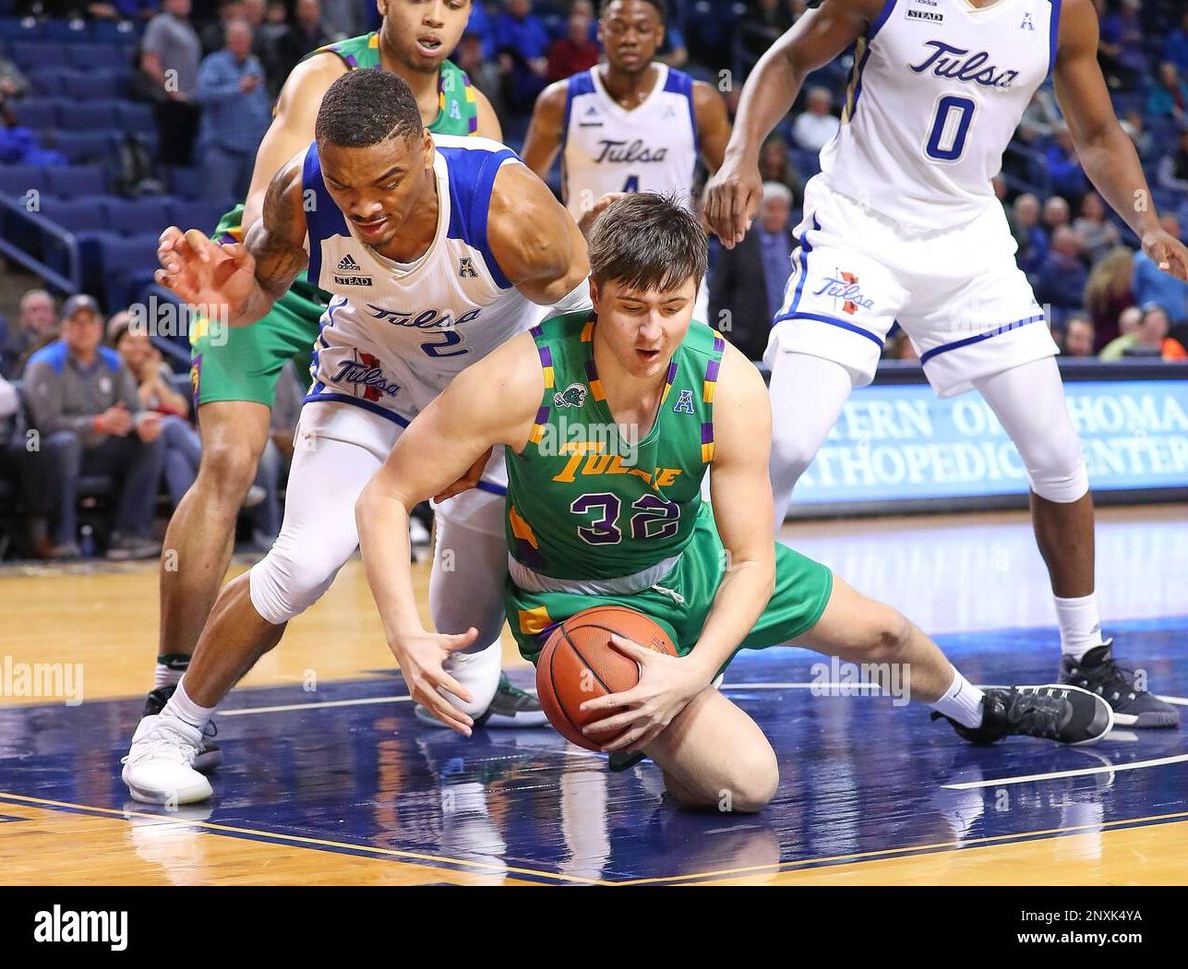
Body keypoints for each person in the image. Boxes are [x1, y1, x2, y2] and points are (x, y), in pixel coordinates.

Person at [350, 194, 1112, 814]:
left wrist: (697, 669)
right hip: (579, 606)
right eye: (630, 307)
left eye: (673, 307)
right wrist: (403, 632)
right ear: (595, 296)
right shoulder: (521, 379)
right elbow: (386, 495)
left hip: (694, 561)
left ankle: (978, 710)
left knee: (884, 635)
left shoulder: (728, 382)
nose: (652, 330)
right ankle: (659, 744)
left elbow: (749, 558)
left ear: (697, 296)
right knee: (745, 784)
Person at [703, 0, 1188, 728]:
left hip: (967, 246)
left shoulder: (1062, 13)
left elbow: (1096, 133)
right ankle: (700, 655)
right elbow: (789, 58)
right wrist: (741, 153)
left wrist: (1147, 220)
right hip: (858, 232)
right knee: (787, 444)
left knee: (1057, 452)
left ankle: (1087, 656)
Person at [121, 68, 591, 803]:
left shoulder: (507, 203)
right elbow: (258, 298)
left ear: (426, 147)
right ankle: (169, 729)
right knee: (303, 562)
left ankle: (480, 657)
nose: (365, 205)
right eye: (346, 187)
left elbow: (580, 327)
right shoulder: (299, 191)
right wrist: (220, 293)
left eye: (387, 182)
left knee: (464, 688)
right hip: (370, 377)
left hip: (489, 389)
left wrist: (496, 433)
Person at [521, 0, 731, 222]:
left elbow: (730, 175)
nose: (629, 39)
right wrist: (563, 235)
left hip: (672, 252)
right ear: (601, 30)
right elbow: (525, 186)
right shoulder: (560, 100)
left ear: (659, 35)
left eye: (642, 29)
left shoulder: (698, 99)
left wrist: (703, 222)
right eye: (618, 28)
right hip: (587, 252)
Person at [23, 296, 165, 562]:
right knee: (66, 443)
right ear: (64, 327)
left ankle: (129, 535)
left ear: (99, 327)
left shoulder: (113, 362)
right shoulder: (44, 364)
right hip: (47, 452)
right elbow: (46, 423)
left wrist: (139, 422)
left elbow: (133, 409)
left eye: (89, 322)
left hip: (99, 450)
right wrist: (96, 423)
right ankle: (62, 538)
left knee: (151, 441)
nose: (84, 329)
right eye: (76, 323)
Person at [108, 312, 204, 508]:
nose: (139, 348)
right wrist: (150, 382)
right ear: (116, 346)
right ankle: (220, 474)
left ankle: (188, 531)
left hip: (164, 446)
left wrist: (156, 380)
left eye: (143, 342)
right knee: (171, 426)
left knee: (176, 459)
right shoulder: (111, 372)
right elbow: (130, 412)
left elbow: (181, 409)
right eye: (130, 342)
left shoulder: (160, 370)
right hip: (131, 443)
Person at [707, 181, 794, 360]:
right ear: (759, 210)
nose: (776, 215)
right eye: (771, 208)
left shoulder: (797, 242)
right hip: (746, 341)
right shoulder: (739, 242)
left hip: (790, 338)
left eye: (782, 209)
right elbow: (721, 295)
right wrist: (725, 332)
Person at [196, 19, 273, 203]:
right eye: (236, 36)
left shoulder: (254, 64)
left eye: (244, 37)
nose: (240, 41)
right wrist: (237, 89)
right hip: (222, 148)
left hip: (251, 148)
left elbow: (259, 102)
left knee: (249, 207)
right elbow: (202, 94)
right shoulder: (214, 63)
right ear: (227, 39)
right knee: (217, 208)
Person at [141, 0, 202, 166]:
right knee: (170, 158)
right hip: (171, 102)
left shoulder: (186, 26)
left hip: (188, 100)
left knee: (184, 157)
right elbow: (150, 61)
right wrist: (172, 91)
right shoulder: (161, 24)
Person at [0, 289, 59, 380]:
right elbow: (11, 383)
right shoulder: (12, 349)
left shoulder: (67, 345)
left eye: (45, 309)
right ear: (23, 317)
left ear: (54, 315)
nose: (41, 316)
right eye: (34, 310)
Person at [1100, 303, 1187, 361]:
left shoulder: (1172, 346)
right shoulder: (1122, 345)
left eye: (1163, 321)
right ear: (1140, 325)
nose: (1159, 326)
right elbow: (1104, 364)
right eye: (1155, 321)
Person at [790, 86, 838, 153]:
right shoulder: (803, 119)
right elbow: (804, 140)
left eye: (825, 104)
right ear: (811, 103)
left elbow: (838, 141)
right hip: (808, 153)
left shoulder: (834, 122)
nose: (822, 106)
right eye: (819, 103)